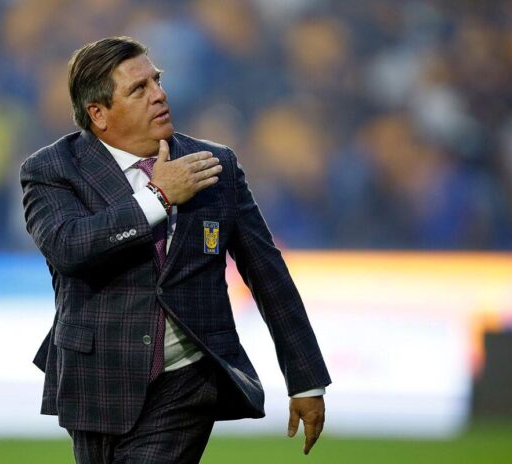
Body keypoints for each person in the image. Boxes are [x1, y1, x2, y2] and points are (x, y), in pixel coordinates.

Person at [20, 36, 331, 464]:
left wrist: (306, 378)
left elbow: (268, 275)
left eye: (157, 80)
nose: (159, 94)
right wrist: (158, 197)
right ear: (99, 114)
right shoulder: (53, 170)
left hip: (187, 380)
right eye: (139, 89)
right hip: (97, 380)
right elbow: (68, 247)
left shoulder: (214, 165)